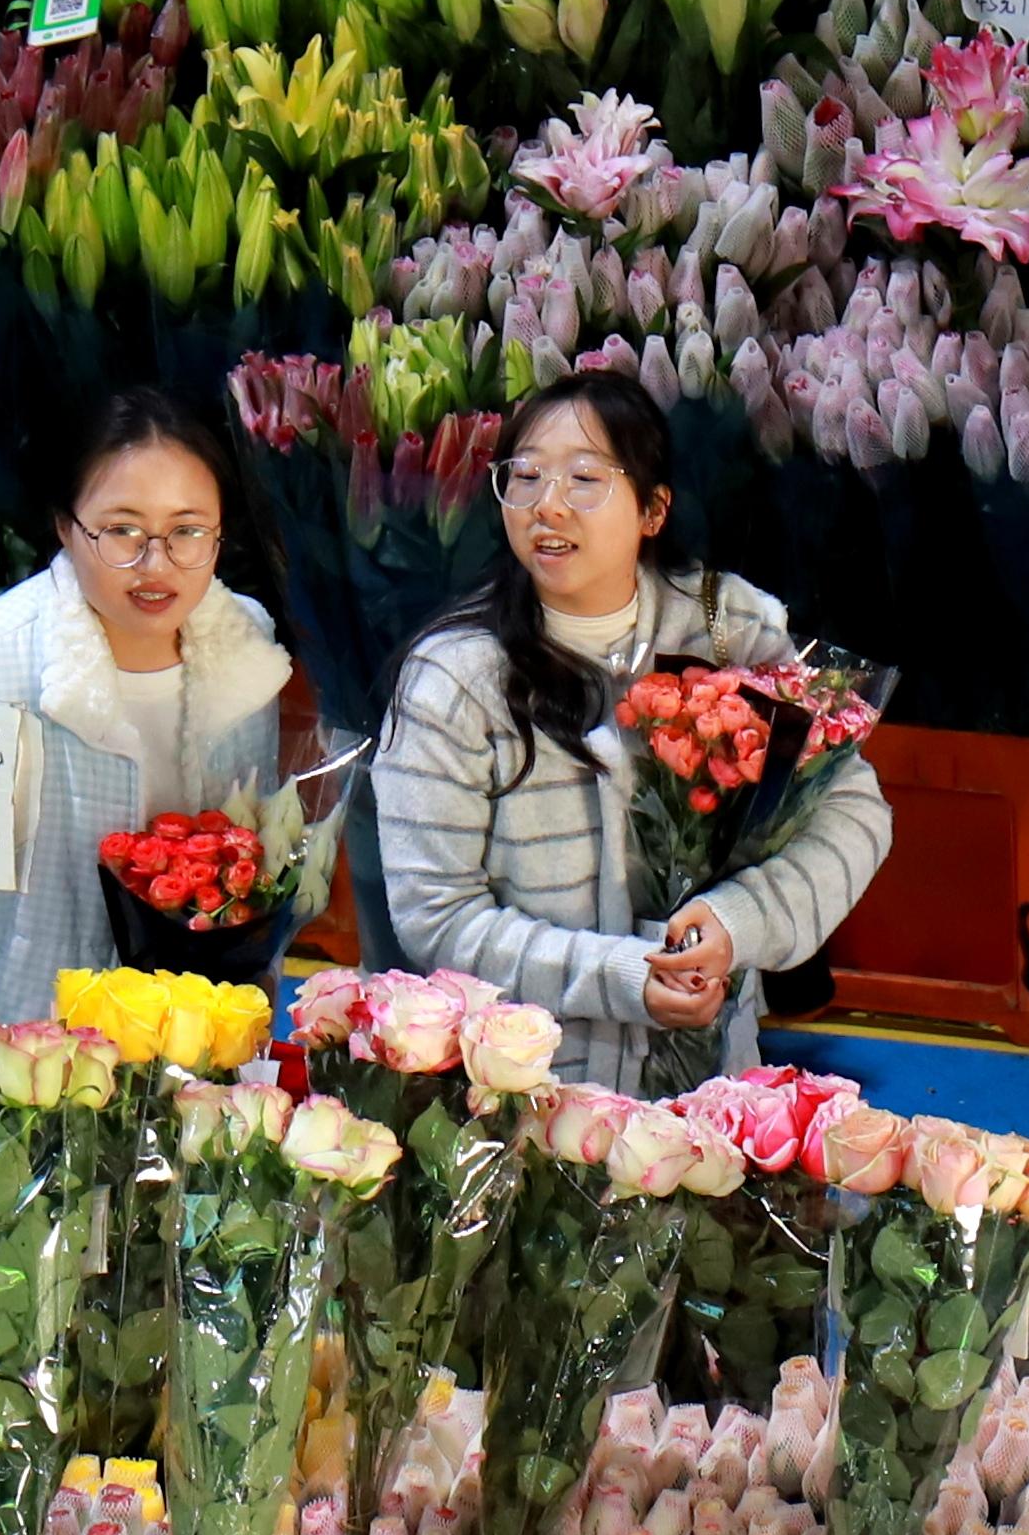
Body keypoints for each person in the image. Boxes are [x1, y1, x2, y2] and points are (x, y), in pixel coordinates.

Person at [373, 371, 890, 1095]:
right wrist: (623, 978)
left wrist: (738, 923)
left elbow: (852, 812)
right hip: (529, 1093)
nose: (548, 505)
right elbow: (437, 915)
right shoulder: (456, 676)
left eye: (585, 479)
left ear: (653, 509)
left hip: (714, 1086)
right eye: (525, 477)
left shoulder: (730, 632)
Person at [0, 388, 308, 1006]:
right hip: (28, 1045)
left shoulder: (247, 648)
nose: (157, 564)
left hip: (195, 1042)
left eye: (187, 531)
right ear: (65, 526)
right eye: (123, 531)